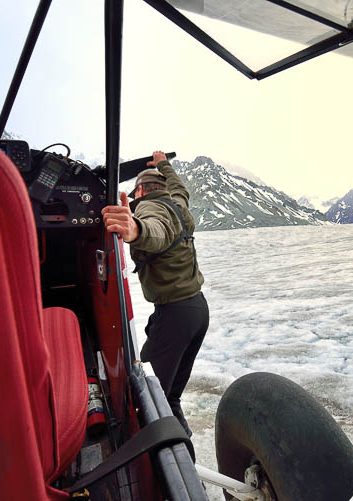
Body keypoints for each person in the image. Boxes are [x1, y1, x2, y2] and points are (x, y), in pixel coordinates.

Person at [101, 150, 208, 438]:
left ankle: (163, 471)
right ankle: (187, 464)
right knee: (169, 397)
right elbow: (180, 187)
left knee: (145, 398)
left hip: (175, 317)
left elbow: (155, 231)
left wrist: (134, 229)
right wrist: (163, 163)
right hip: (198, 311)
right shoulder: (177, 203)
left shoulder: (150, 208)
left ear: (141, 190)